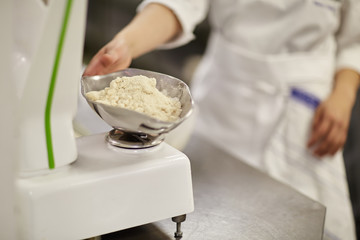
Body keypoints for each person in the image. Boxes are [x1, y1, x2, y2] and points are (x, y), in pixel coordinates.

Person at [83, 1, 360, 239]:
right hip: (225, 101)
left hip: (305, 113)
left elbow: (353, 41)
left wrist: (344, 94)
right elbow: (181, 4)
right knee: (208, 214)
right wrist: (125, 45)